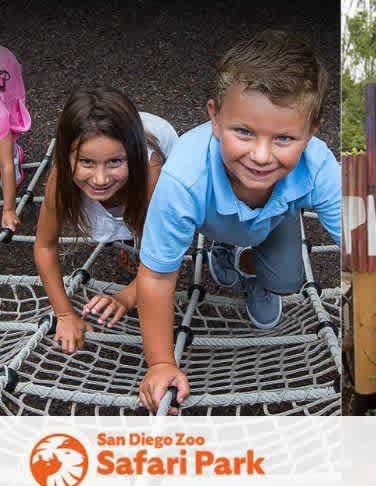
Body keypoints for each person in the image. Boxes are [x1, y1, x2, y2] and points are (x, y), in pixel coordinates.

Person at [135, 31, 340, 413]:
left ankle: (248, 264)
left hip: (274, 215)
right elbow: (158, 274)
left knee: (288, 280)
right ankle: (224, 247)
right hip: (211, 217)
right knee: (216, 229)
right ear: (214, 117)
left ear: (312, 133)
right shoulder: (183, 177)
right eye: (243, 132)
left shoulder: (317, 164)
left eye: (283, 138)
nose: (261, 156)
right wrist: (161, 362)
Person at [33, 87, 177, 354]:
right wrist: (64, 314)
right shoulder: (61, 179)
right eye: (86, 162)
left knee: (149, 228)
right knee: (121, 212)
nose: (100, 179)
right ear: (67, 157)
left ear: (131, 157)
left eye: (114, 162)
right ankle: (125, 230)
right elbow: (44, 246)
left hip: (155, 145)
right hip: (129, 141)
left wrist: (126, 296)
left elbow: (167, 257)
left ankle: (131, 231)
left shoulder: (152, 178)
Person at [1, 46, 32, 232]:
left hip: (7, 74)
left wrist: (9, 209)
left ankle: (14, 151)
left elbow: (6, 166)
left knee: (5, 155)